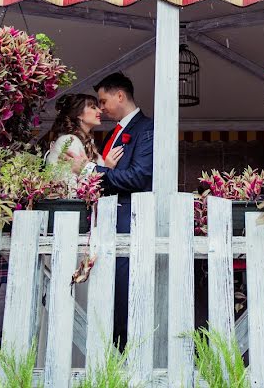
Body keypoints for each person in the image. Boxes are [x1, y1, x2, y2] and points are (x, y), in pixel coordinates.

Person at [65, 72, 153, 349]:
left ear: (120, 96)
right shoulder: (115, 133)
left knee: (124, 294)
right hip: (108, 223)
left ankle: (124, 355)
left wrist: (91, 169)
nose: (101, 108)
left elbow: (140, 177)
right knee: (110, 294)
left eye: (103, 101)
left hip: (129, 221)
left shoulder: (146, 129)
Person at [41, 93, 123, 192]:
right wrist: (107, 167)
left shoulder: (86, 143)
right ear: (79, 114)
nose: (100, 111)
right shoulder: (70, 141)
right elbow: (72, 188)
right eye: (93, 107)